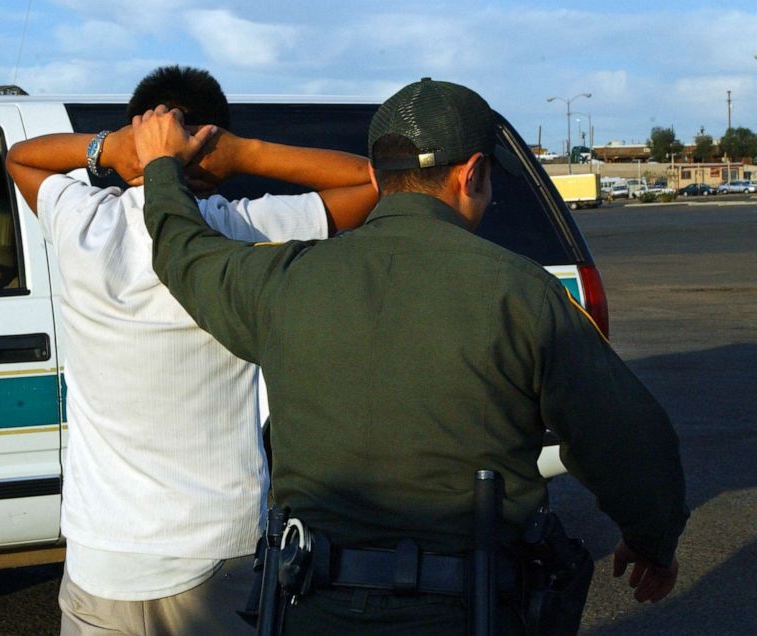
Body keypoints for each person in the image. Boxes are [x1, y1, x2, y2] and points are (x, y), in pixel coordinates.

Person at [134, 78, 689, 634]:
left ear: (376, 175)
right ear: (472, 173)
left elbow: (183, 253)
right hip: (466, 613)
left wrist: (162, 168)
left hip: (313, 607)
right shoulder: (524, 294)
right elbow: (629, 441)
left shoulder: (283, 281)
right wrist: (652, 543)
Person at [5, 65, 377, 635]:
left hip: (101, 559)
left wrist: (113, 149)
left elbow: (21, 158)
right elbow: (373, 183)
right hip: (214, 551)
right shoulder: (243, 232)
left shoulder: (81, 221)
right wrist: (243, 153)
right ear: (212, 151)